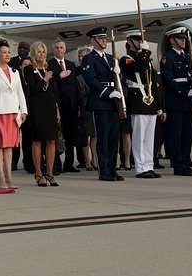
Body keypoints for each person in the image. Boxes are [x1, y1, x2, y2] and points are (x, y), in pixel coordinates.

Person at [81, 27, 126, 181]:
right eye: (100, 38)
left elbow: (120, 79)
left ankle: (112, 169)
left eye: (105, 38)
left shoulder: (110, 57)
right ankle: (104, 171)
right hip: (100, 101)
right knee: (103, 137)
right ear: (92, 41)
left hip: (114, 101)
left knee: (114, 138)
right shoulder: (89, 58)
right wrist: (107, 92)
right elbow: (91, 81)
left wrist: (120, 73)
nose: (104, 41)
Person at [0, 40, 27, 189]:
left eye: (9, 52)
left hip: (13, 112)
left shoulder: (14, 72)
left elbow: (20, 92)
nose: (7, 55)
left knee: (9, 146)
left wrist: (24, 110)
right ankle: (1, 176)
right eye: (4, 52)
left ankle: (9, 176)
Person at [120, 31, 163, 179]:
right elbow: (138, 67)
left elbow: (153, 83)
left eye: (141, 40)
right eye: (137, 40)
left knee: (150, 137)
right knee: (139, 137)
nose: (140, 42)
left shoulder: (145, 58)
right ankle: (140, 167)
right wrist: (144, 53)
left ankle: (149, 165)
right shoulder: (126, 59)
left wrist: (159, 106)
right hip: (137, 101)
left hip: (149, 101)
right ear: (130, 42)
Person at [160, 27, 192, 176]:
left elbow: (191, 77)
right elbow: (168, 79)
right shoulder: (168, 57)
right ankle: (178, 165)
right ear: (172, 40)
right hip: (176, 100)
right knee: (176, 135)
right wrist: (185, 91)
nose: (183, 41)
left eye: (184, 38)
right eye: (179, 38)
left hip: (188, 101)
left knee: (187, 135)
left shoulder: (187, 56)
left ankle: (185, 161)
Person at [20, 42, 59, 186]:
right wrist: (45, 79)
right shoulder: (29, 69)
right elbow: (34, 89)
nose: (41, 54)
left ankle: (50, 173)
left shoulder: (49, 68)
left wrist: (57, 109)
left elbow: (53, 92)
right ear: (33, 53)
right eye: (38, 52)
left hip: (50, 107)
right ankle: (38, 173)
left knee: (51, 140)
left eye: (43, 51)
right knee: (37, 140)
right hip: (37, 108)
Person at [49, 41, 82, 173]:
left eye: (61, 47)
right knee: (57, 135)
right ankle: (56, 165)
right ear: (53, 50)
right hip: (58, 105)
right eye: (56, 48)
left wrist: (78, 104)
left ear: (65, 49)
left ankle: (69, 163)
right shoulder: (49, 64)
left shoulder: (71, 64)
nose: (59, 50)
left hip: (72, 106)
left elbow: (76, 86)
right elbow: (49, 83)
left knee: (71, 136)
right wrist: (58, 76)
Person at [9, 41, 33, 172]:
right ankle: (13, 162)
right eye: (20, 48)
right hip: (15, 107)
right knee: (15, 138)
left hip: (29, 108)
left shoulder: (32, 64)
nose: (22, 50)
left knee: (28, 138)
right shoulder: (11, 63)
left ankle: (28, 162)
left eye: (25, 48)